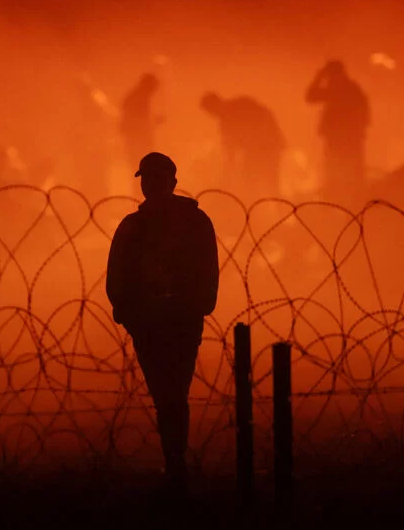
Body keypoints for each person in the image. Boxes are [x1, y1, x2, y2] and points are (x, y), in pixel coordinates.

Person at [105, 152, 219, 498]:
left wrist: (197, 307)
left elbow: (207, 272)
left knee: (171, 394)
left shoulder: (190, 223)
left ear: (172, 183)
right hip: (155, 322)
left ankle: (175, 461)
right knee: (169, 394)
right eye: (146, 179)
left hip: (175, 320)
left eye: (157, 179)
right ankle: (175, 461)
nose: (151, 186)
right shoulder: (138, 226)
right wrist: (129, 314)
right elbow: (117, 278)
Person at [199, 92, 286, 198]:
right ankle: (257, 209)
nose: (212, 115)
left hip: (268, 148)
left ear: (216, 104)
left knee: (270, 182)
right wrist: (227, 171)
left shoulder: (242, 104)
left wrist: (275, 139)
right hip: (255, 152)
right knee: (252, 181)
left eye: (210, 111)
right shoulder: (224, 124)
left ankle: (278, 208)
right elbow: (230, 148)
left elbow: (266, 117)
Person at [305, 60, 370, 195]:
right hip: (347, 138)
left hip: (342, 138)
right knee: (343, 170)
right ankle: (345, 197)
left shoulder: (341, 89)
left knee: (340, 169)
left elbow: (310, 96)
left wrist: (318, 78)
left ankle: (341, 198)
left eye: (329, 76)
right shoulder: (350, 88)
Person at [119, 73, 163, 166]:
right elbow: (137, 121)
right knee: (140, 164)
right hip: (137, 139)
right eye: (152, 88)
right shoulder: (138, 98)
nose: (153, 92)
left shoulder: (137, 97)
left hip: (136, 138)